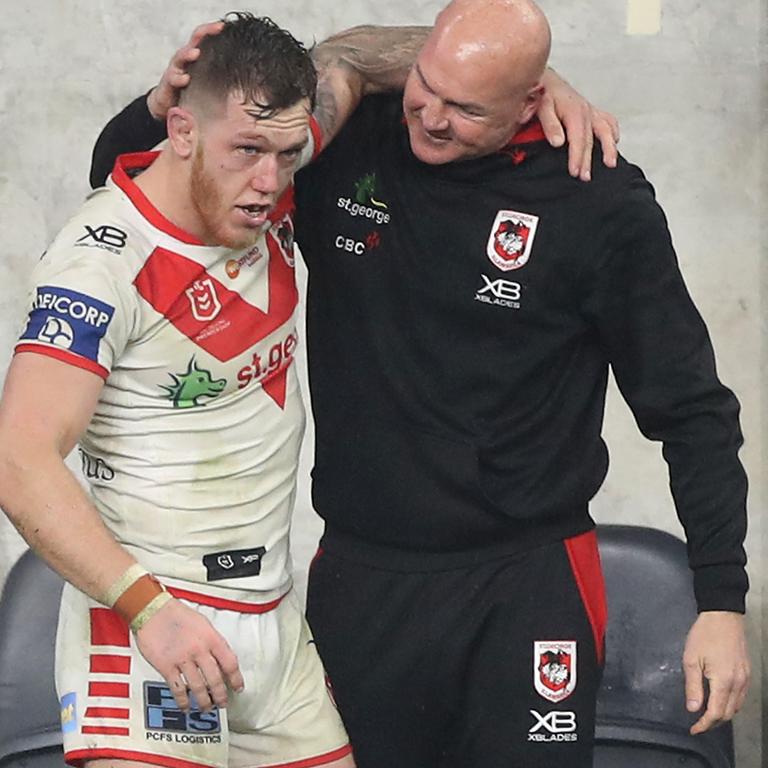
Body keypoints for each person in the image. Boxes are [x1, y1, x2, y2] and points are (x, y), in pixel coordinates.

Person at [88, 1, 750, 767]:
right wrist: (155, 104)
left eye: (467, 108)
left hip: (527, 582)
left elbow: (693, 409)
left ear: (530, 102)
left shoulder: (594, 197)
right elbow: (131, 181)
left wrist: (722, 601)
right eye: (424, 85)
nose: (432, 118)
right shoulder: (346, 145)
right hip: (364, 578)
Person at [0, 14, 357, 768]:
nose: (269, 182)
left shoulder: (266, 178)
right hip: (150, 629)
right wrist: (148, 612)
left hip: (272, 625)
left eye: (288, 156)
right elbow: (19, 455)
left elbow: (356, 61)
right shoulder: (101, 260)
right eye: (248, 152)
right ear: (183, 131)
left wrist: (533, 84)